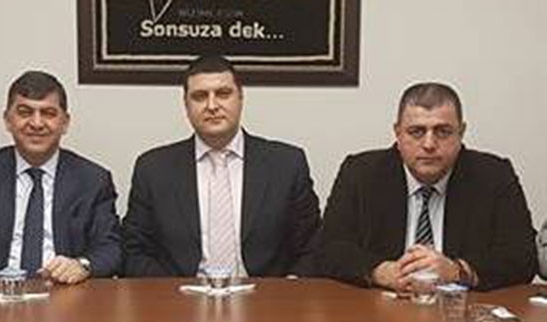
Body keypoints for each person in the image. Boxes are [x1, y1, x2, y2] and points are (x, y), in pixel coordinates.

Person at [318, 82, 537, 292]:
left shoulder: (493, 176)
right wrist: (381, 272)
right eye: (416, 132)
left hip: (458, 308)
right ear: (398, 133)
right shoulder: (361, 173)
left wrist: (457, 271)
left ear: (461, 132)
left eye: (443, 131)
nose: (429, 144)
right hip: (380, 305)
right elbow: (329, 249)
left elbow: (522, 256)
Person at [122, 55, 320, 277]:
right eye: (199, 96)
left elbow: (312, 246)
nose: (212, 106)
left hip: (267, 295)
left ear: (241, 98)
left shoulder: (287, 165)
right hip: (181, 294)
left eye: (223, 94)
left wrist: (289, 289)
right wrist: (171, 292)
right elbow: (134, 250)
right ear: (186, 105)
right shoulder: (153, 169)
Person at [0, 70, 121, 289]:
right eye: (25, 112)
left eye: (48, 113)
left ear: (65, 123)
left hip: (65, 295)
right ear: (8, 120)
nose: (37, 123)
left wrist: (82, 265)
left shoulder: (93, 180)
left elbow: (111, 247)